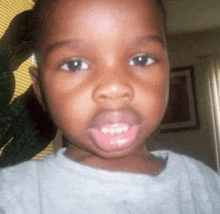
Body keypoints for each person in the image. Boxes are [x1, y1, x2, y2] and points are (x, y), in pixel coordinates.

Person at [0, 0, 220, 213]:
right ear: (40, 89)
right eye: (75, 64)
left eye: (141, 60)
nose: (114, 86)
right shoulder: (12, 195)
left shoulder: (205, 186)